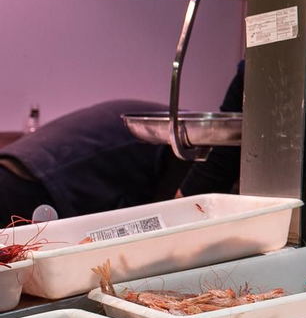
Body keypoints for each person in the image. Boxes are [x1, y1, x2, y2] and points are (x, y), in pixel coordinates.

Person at [0, 60, 244, 222]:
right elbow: (177, 219)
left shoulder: (178, 138)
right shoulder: (188, 147)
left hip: (21, 168)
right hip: (32, 183)